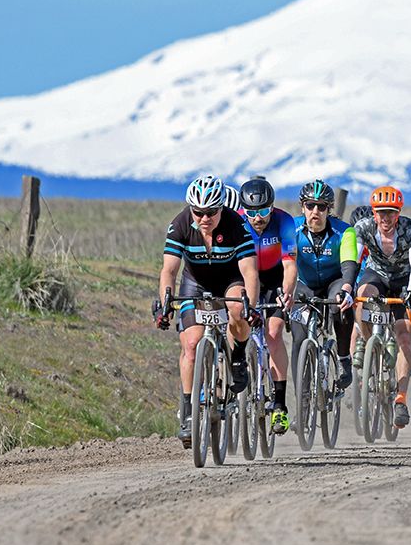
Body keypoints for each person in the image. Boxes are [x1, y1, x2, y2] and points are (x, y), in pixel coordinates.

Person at [153, 175, 260, 448]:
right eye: (198, 212)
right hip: (195, 284)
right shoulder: (179, 224)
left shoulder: (237, 225)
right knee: (190, 344)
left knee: (238, 309)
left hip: (230, 281)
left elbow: (249, 271)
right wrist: (165, 303)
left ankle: (237, 356)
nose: (204, 218)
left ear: (221, 208)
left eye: (211, 212)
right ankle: (188, 413)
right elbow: (169, 270)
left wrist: (252, 306)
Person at [342, 186, 411, 428]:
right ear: (374, 213)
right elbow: (354, 259)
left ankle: (401, 399)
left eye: (391, 213)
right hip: (377, 275)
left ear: (398, 213)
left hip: (404, 280)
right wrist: (347, 288)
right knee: (362, 296)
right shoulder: (364, 227)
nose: (385, 218)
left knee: (404, 338)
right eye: (381, 213)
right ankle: (369, 343)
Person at [238, 175, 297, 433]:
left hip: (274, 278)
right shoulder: (236, 222)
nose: (258, 217)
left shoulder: (284, 222)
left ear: (272, 207)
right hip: (243, 277)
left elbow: (290, 265)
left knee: (273, 334)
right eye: (252, 212)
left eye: (263, 211)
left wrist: (286, 293)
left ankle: (280, 406)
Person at [287, 180, 356, 392]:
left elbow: (349, 265)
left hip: (333, 282)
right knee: (299, 339)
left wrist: (346, 289)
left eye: (322, 206)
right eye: (310, 205)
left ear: (329, 210)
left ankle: (344, 357)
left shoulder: (345, 232)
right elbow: (286, 263)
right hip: (304, 283)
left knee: (339, 305)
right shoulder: (292, 229)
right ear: (302, 207)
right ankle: (303, 397)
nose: (315, 211)